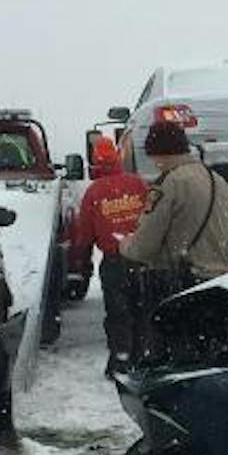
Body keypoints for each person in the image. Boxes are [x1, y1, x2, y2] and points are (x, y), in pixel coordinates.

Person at [119, 120, 228, 361]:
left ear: (158, 153)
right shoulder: (218, 181)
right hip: (217, 282)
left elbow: (144, 248)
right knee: (208, 359)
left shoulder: (169, 184)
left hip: (177, 286)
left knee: (174, 363)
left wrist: (126, 244)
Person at [66, 135, 152, 374]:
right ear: (117, 158)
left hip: (115, 262)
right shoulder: (138, 184)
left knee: (118, 312)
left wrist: (81, 265)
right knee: (143, 309)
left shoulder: (94, 192)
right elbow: (154, 216)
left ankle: (120, 359)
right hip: (144, 258)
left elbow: (84, 234)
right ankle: (142, 355)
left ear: (95, 164)